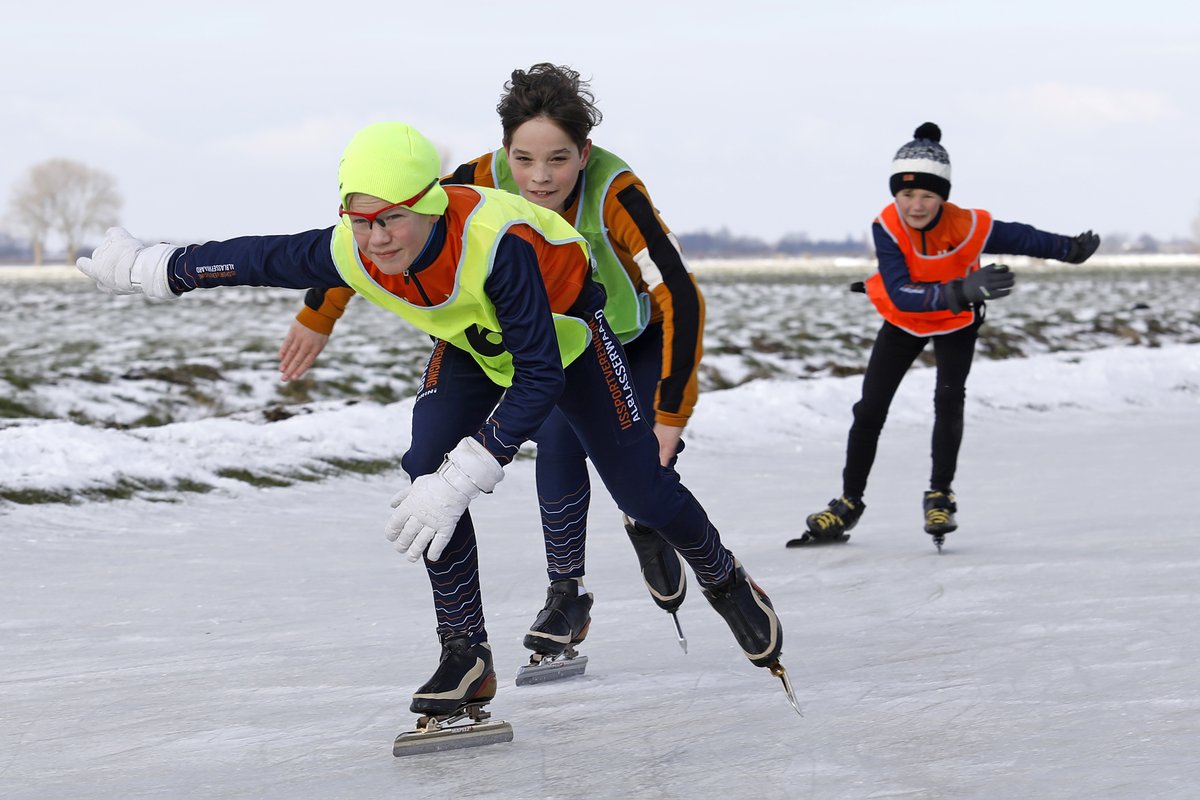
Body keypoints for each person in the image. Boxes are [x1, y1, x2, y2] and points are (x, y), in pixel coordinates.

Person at [76, 121, 786, 723]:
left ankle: (725, 580)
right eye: (361, 220)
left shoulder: (493, 243)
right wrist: (155, 266)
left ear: (431, 205)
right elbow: (259, 258)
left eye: (391, 219)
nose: (377, 239)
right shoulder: (352, 247)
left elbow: (539, 375)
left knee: (642, 493)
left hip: (564, 342)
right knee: (424, 468)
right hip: (474, 344)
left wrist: (471, 472)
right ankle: (465, 653)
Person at [278, 64, 704, 659]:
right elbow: (384, 230)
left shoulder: (615, 190)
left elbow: (678, 293)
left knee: (639, 478)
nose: (538, 178)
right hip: (553, 337)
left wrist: (672, 411)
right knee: (555, 434)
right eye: (524, 160)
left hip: (630, 338)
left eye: (558, 159)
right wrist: (320, 313)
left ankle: (646, 520)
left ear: (584, 152)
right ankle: (567, 593)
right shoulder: (475, 180)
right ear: (505, 151)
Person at [802, 122, 1100, 545]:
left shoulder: (968, 224)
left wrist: (1068, 250)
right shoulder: (886, 226)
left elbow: (1021, 237)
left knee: (947, 400)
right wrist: (961, 288)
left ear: (944, 196)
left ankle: (940, 495)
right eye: (907, 195)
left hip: (957, 322)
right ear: (895, 195)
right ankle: (848, 503)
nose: (916, 206)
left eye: (928, 195)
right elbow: (903, 293)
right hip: (905, 319)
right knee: (869, 410)